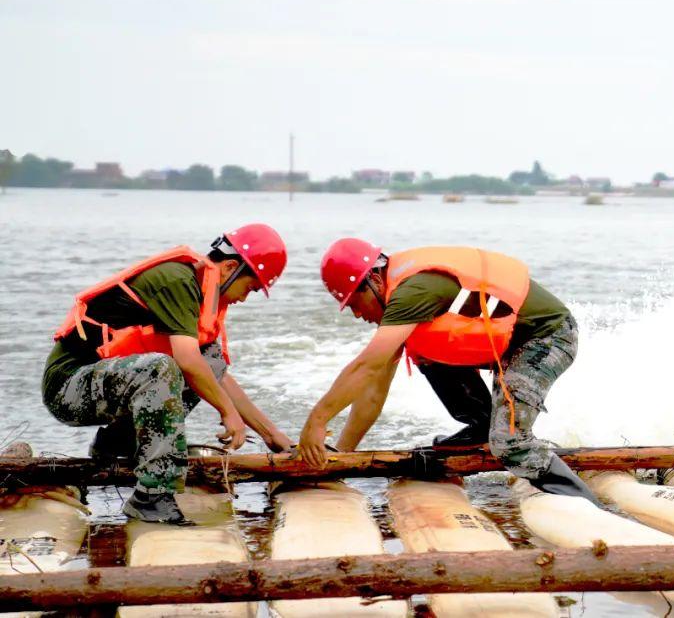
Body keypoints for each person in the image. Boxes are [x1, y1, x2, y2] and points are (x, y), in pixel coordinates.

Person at [298, 240, 598, 503]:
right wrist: (339, 457)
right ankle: (481, 425)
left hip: (546, 337)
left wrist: (317, 420)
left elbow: (366, 365)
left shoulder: (412, 291)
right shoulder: (402, 304)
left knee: (510, 444)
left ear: (374, 279)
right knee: (426, 350)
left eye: (354, 301)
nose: (357, 313)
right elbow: (373, 389)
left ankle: (588, 505)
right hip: (506, 345)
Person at [42, 224, 293, 523]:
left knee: (204, 368)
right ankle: (152, 497)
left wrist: (273, 437)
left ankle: (117, 445)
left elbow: (217, 376)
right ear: (229, 268)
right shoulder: (177, 281)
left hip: (108, 383)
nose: (244, 298)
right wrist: (228, 413)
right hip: (68, 386)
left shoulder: (203, 296)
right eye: (250, 288)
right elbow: (187, 360)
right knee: (167, 368)